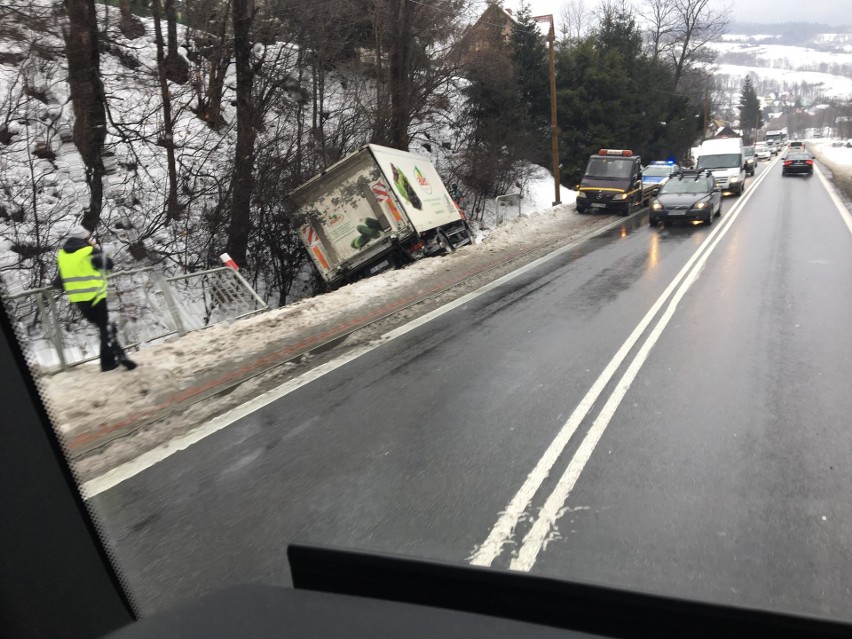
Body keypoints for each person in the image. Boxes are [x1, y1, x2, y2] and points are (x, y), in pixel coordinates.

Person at [54, 225, 136, 371]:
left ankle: (113, 359)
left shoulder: (62, 255)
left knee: (105, 328)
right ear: (84, 239)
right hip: (96, 297)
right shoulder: (89, 251)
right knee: (106, 329)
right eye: (88, 238)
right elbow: (108, 264)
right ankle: (111, 361)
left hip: (79, 300)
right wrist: (94, 247)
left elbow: (59, 282)